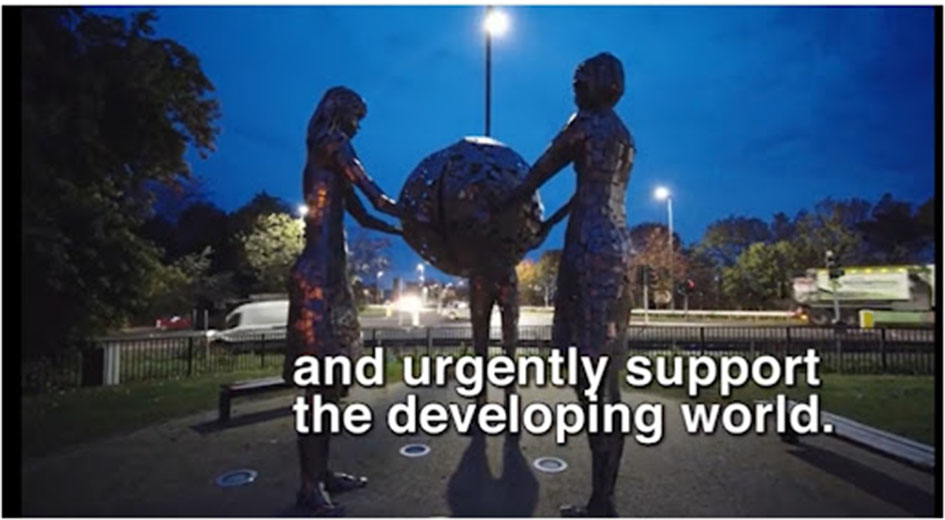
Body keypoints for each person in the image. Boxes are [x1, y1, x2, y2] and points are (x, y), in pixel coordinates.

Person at [504, 52, 635, 517]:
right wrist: (547, 225)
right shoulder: (623, 135)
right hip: (618, 249)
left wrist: (500, 203)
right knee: (606, 379)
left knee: (589, 379)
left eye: (581, 80)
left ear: (601, 84)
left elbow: (538, 171)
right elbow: (588, 192)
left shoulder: (586, 124)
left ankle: (602, 501)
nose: (574, 87)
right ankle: (604, 496)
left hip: (588, 253)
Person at [284, 86, 404, 516]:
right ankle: (309, 486)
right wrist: (422, 215)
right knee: (318, 386)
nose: (358, 126)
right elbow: (377, 197)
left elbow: (366, 216)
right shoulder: (333, 143)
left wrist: (405, 231)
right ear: (341, 111)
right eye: (357, 116)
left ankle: (322, 473)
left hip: (331, 275)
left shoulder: (327, 154)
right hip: (317, 277)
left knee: (331, 383)